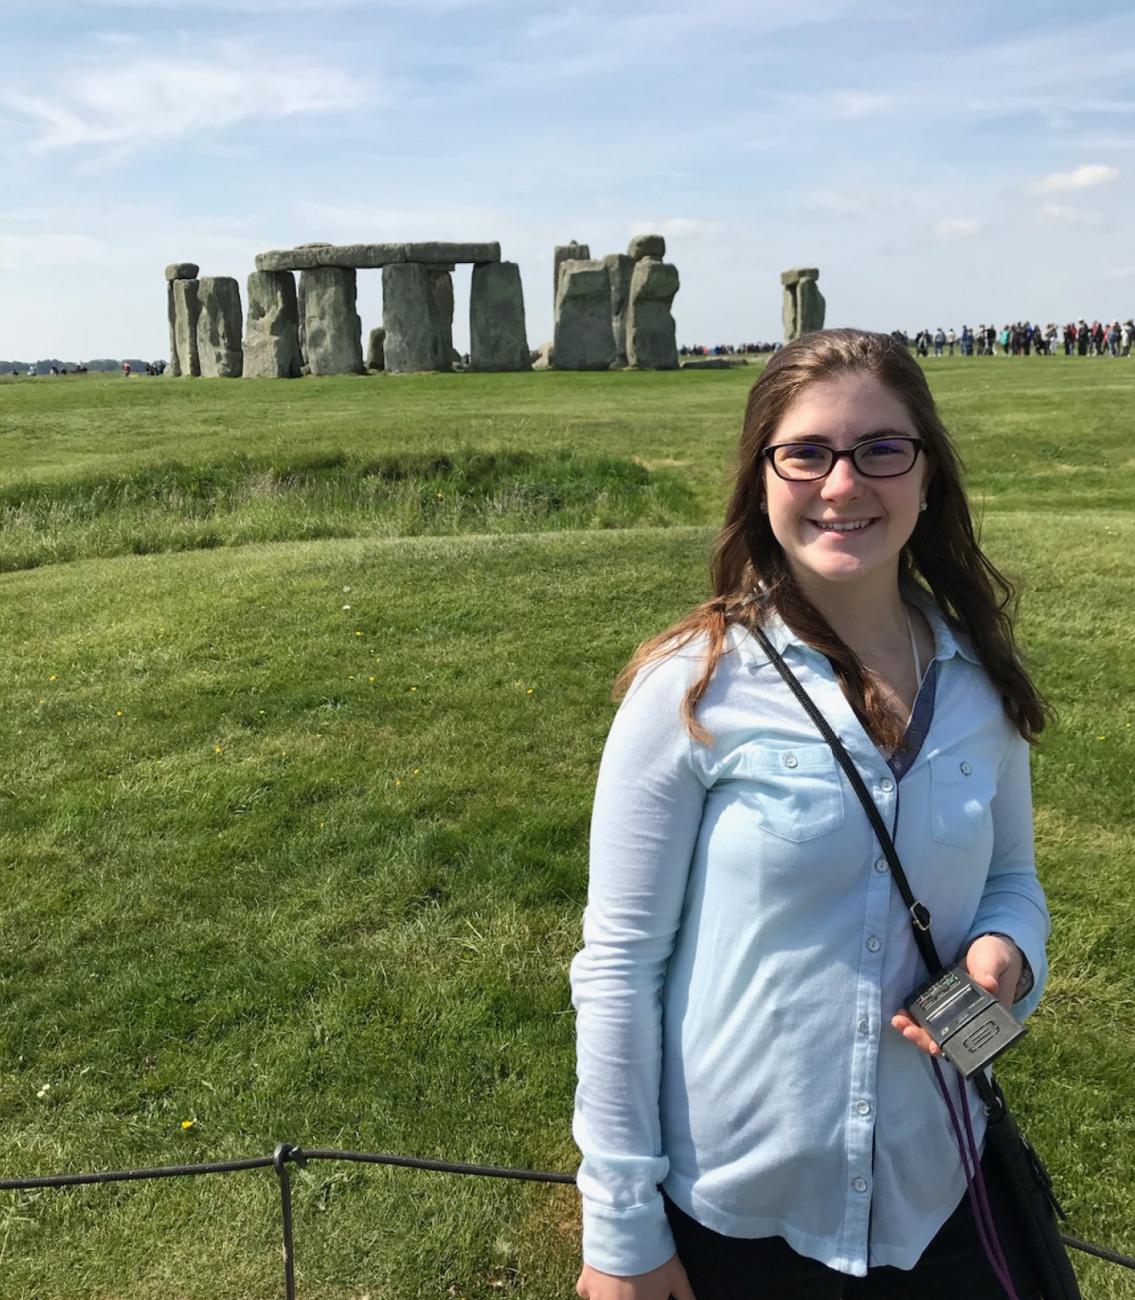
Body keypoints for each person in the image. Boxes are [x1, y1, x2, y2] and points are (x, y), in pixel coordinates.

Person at [572, 329, 1051, 1300]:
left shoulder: (977, 684)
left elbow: (1011, 881)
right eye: (807, 452)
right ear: (760, 477)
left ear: (927, 475)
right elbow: (619, 964)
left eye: (882, 448)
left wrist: (1008, 953)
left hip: (936, 1189)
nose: (843, 484)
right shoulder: (689, 690)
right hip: (740, 1207)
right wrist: (622, 1226)